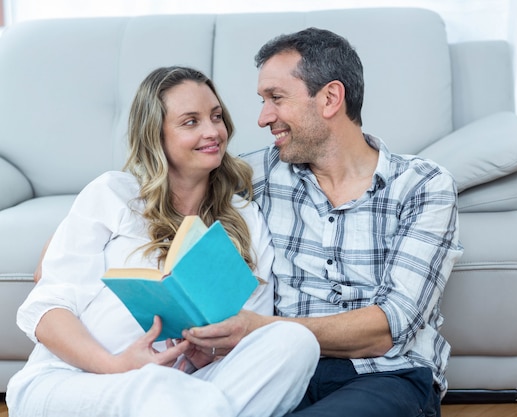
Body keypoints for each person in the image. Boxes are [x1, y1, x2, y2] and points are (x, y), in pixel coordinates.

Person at [6, 66, 319, 417]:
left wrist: (213, 351)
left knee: (295, 342)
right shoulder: (113, 194)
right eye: (190, 122)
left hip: (194, 384)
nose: (212, 131)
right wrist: (117, 366)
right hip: (76, 378)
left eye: (216, 116)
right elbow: (47, 309)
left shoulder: (244, 217)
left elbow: (252, 326)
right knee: (159, 388)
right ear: (156, 135)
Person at [182, 28, 464, 417]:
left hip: (384, 376)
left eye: (276, 98)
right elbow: (177, 176)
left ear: (330, 98)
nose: (264, 118)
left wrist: (262, 329)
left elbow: (390, 327)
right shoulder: (255, 175)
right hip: (281, 369)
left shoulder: (423, 186)